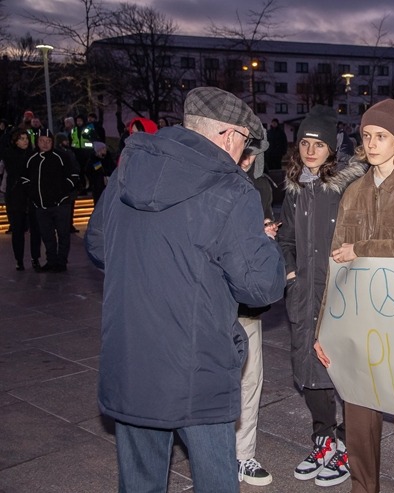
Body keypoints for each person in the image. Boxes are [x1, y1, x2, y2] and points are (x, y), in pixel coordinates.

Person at [84, 86, 286, 493]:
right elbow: (261, 286)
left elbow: (98, 245)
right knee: (215, 479)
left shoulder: (127, 169)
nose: (244, 156)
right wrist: (264, 244)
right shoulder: (232, 190)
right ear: (229, 135)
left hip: (132, 359)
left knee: (140, 481)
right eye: (245, 143)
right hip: (198, 368)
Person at [315, 99, 394, 493]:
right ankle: (362, 487)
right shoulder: (353, 191)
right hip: (359, 315)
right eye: (367, 135)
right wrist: (324, 327)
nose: (371, 143)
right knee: (357, 410)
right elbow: (337, 266)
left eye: (381, 136)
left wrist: (363, 248)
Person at [279, 105, 367, 487]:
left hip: (340, 294)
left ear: (333, 148)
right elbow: (285, 238)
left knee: (343, 370)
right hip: (304, 293)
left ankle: (348, 444)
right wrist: (290, 270)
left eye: (318, 144)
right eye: (305, 143)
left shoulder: (349, 185)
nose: (310, 150)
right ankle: (324, 440)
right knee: (309, 371)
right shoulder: (294, 188)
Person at [233, 137, 279, 487]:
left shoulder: (258, 189)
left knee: (251, 379)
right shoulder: (207, 187)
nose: (247, 160)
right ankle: (216, 453)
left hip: (245, 304)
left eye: (251, 154)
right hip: (210, 304)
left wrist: (266, 237)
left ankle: (243, 455)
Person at [21, 129, 77, 273]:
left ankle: (61, 262)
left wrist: (65, 189)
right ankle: (51, 261)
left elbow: (74, 174)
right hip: (41, 206)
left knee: (63, 234)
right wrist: (32, 193)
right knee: (47, 236)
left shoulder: (61, 156)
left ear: (52, 142)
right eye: (42, 141)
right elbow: (24, 178)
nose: (45, 144)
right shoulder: (31, 159)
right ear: (37, 142)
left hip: (61, 204)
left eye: (48, 141)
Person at [1, 128, 40, 270]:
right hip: (16, 197)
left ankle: (35, 258)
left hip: (31, 196)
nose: (25, 141)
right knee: (17, 230)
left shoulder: (33, 154)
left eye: (26, 138)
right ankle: (19, 259)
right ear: (15, 141)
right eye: (21, 138)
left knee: (35, 229)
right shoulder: (10, 155)